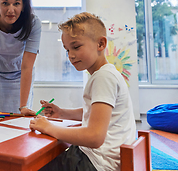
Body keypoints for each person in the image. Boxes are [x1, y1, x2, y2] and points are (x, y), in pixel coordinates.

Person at [30, 12, 136, 171]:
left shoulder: (103, 77)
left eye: (76, 47)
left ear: (101, 44)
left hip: (95, 163)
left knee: (35, 164)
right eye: (67, 50)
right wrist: (63, 113)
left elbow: (94, 137)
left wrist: (48, 127)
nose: (70, 56)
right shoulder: (108, 73)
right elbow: (97, 114)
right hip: (102, 160)